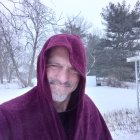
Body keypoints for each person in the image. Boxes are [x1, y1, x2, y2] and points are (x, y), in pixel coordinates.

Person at [0, 34, 112, 140]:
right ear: (42, 67)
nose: (63, 78)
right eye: (54, 66)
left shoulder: (88, 109)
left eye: (74, 69)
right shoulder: (8, 118)